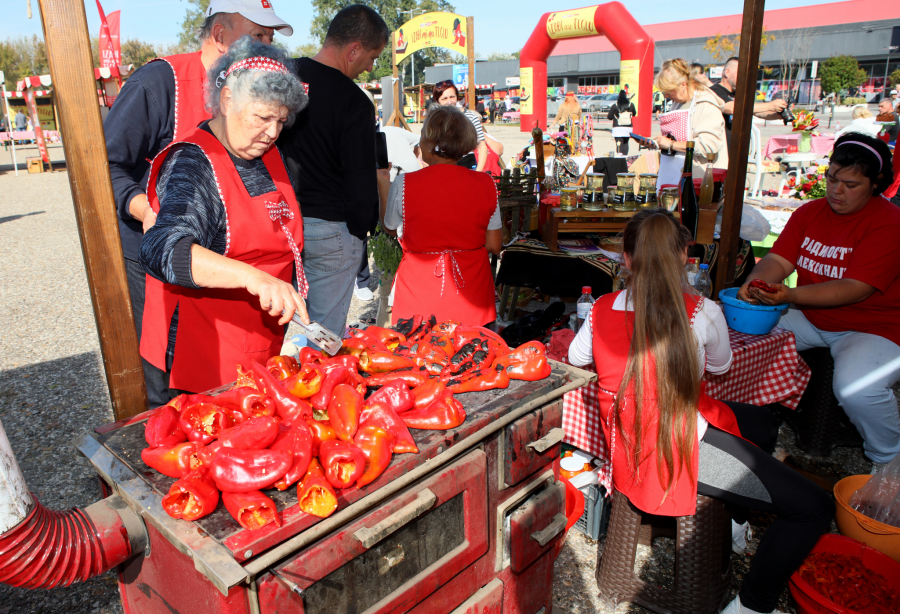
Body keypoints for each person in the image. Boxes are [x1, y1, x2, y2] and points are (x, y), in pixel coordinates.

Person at [569, 209, 833, 614]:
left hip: (631, 438)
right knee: (814, 507)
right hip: (678, 450)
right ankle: (752, 605)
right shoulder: (703, 310)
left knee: (760, 421)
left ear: (625, 258)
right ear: (682, 257)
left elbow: (577, 357)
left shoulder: (601, 307)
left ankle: (737, 520)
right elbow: (721, 367)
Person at [104, 0, 291, 405]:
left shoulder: (265, 109)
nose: (265, 47)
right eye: (257, 36)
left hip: (245, 317)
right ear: (221, 36)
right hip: (162, 253)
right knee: (174, 393)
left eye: (269, 40)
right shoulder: (157, 83)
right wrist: (147, 212)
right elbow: (104, 164)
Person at [139, 38, 309, 400]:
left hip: (258, 342)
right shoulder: (194, 161)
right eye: (262, 118)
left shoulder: (270, 154)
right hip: (201, 354)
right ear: (227, 99)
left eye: (281, 120)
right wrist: (254, 279)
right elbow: (161, 247)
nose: (272, 133)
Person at [738, 134, 900, 469]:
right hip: (812, 316)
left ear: (876, 184)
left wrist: (791, 295)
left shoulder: (889, 223)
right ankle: (735, 424)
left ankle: (889, 458)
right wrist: (757, 283)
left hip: (874, 327)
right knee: (735, 333)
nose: (836, 191)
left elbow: (856, 288)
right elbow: (779, 260)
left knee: (857, 388)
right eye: (831, 179)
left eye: (850, 184)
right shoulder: (810, 212)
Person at [277, 5, 389, 343]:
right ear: (353, 49)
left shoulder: (280, 77)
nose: (371, 66)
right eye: (372, 56)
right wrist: (361, 231)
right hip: (330, 228)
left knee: (275, 329)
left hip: (277, 221)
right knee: (322, 337)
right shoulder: (354, 102)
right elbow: (361, 182)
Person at [380, 105, 502, 325]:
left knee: (416, 354)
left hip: (418, 292)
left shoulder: (404, 183)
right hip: (472, 292)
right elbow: (494, 245)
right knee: (476, 356)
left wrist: (382, 182)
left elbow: (390, 226)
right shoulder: (486, 183)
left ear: (428, 143)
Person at [653, 58, 728, 189]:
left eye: (669, 91)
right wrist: (661, 143)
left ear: (683, 85)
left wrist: (671, 144)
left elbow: (708, 146)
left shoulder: (705, 103)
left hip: (699, 180)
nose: (667, 96)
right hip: (677, 175)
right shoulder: (678, 104)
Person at [709, 57, 787, 146]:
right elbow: (731, 108)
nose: (744, 77)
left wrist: (778, 115)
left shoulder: (739, 93)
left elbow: (754, 111)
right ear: (727, 72)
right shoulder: (714, 91)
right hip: (720, 148)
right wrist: (770, 105)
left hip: (737, 148)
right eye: (741, 73)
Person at [431, 80, 488, 171]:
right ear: (437, 101)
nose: (449, 101)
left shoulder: (471, 117)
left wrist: (478, 173)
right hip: (441, 168)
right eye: (444, 99)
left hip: (467, 167)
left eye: (452, 97)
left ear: (457, 97)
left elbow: (482, 147)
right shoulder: (434, 121)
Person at [607, 89, 636, 155]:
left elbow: (609, 117)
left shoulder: (615, 105)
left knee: (619, 144)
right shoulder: (631, 105)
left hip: (617, 128)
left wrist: (615, 115)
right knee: (626, 143)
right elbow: (634, 114)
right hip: (628, 127)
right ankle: (625, 158)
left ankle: (620, 159)